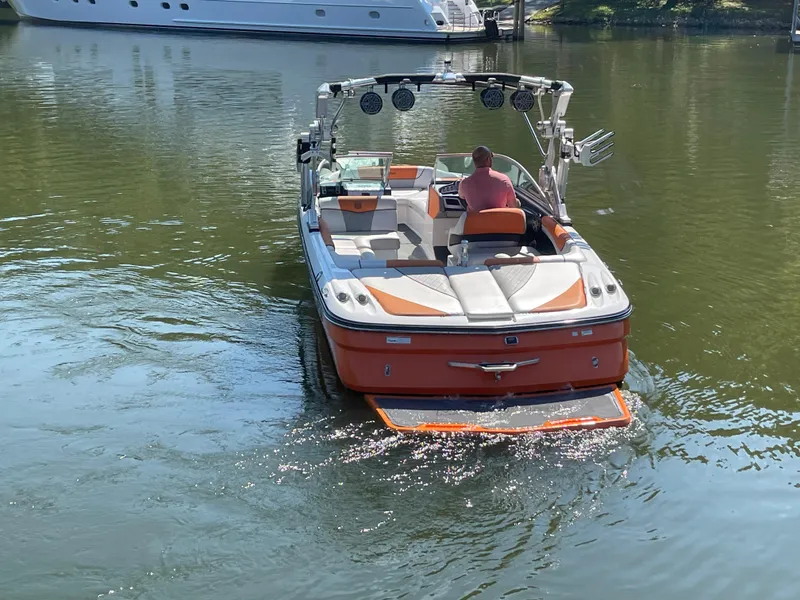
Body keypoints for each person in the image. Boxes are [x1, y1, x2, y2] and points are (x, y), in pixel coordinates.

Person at [458, 146, 520, 211]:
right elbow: (513, 206)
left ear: (474, 162)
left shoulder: (465, 183)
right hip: (499, 220)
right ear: (488, 160)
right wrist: (518, 203)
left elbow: (461, 196)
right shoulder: (504, 180)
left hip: (476, 221)